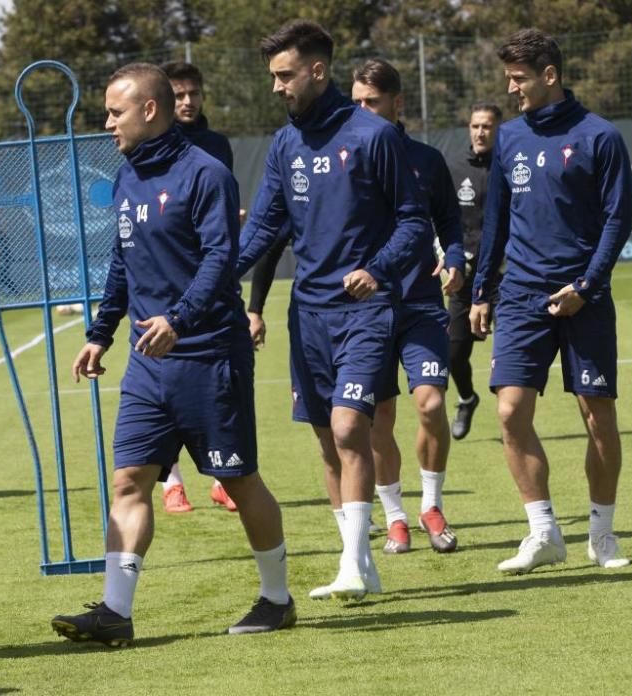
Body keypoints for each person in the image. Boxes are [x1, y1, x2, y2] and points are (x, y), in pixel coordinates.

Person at [51, 63, 294, 646]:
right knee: (129, 480)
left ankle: (277, 599)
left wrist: (179, 320)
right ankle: (115, 612)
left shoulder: (206, 174)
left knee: (239, 481)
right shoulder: (130, 175)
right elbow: (122, 262)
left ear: (149, 110)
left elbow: (220, 259)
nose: (107, 122)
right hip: (147, 362)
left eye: (115, 111)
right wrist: (99, 331)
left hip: (210, 354)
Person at [238, 21, 431, 600]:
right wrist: (218, 272)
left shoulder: (374, 135)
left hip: (365, 311)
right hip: (309, 316)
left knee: (351, 428)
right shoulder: (284, 144)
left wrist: (377, 269)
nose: (277, 87)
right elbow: (267, 227)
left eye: (285, 75)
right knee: (328, 441)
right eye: (273, 76)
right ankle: (361, 562)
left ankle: (353, 564)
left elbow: (414, 221)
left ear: (317, 71)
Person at [470, 29, 632, 574]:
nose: (512, 89)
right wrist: (481, 291)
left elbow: (618, 218)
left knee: (597, 416)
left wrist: (586, 287)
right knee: (511, 411)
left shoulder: (600, 137)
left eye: (519, 79)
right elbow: (495, 221)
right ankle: (543, 533)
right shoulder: (510, 140)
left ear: (549, 75)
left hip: (584, 296)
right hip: (520, 294)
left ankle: (602, 535)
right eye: (509, 79)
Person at [351, 59, 465, 554]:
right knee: (378, 419)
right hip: (366, 309)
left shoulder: (426, 160)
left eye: (371, 103)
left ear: (397, 103)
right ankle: (395, 515)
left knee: (432, 402)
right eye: (355, 103)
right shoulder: (346, 157)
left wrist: (456, 257)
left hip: (420, 301)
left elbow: (448, 223)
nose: (362, 112)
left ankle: (431, 505)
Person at [156, 60, 239, 514]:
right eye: (179, 94)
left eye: (194, 93)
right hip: (164, 284)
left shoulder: (216, 147)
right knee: (164, 388)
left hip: (208, 287)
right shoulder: (150, 148)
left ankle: (224, 477)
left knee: (217, 388)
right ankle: (172, 481)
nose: (188, 102)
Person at [446, 102, 502, 440]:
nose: (480, 132)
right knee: (453, 354)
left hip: (504, 276)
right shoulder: (453, 168)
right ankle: (467, 399)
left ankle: (513, 416)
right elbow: (439, 220)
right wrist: (448, 259)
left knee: (511, 354)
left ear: (498, 130)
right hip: (464, 277)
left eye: (487, 126)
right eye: (475, 126)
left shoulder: (511, 166)